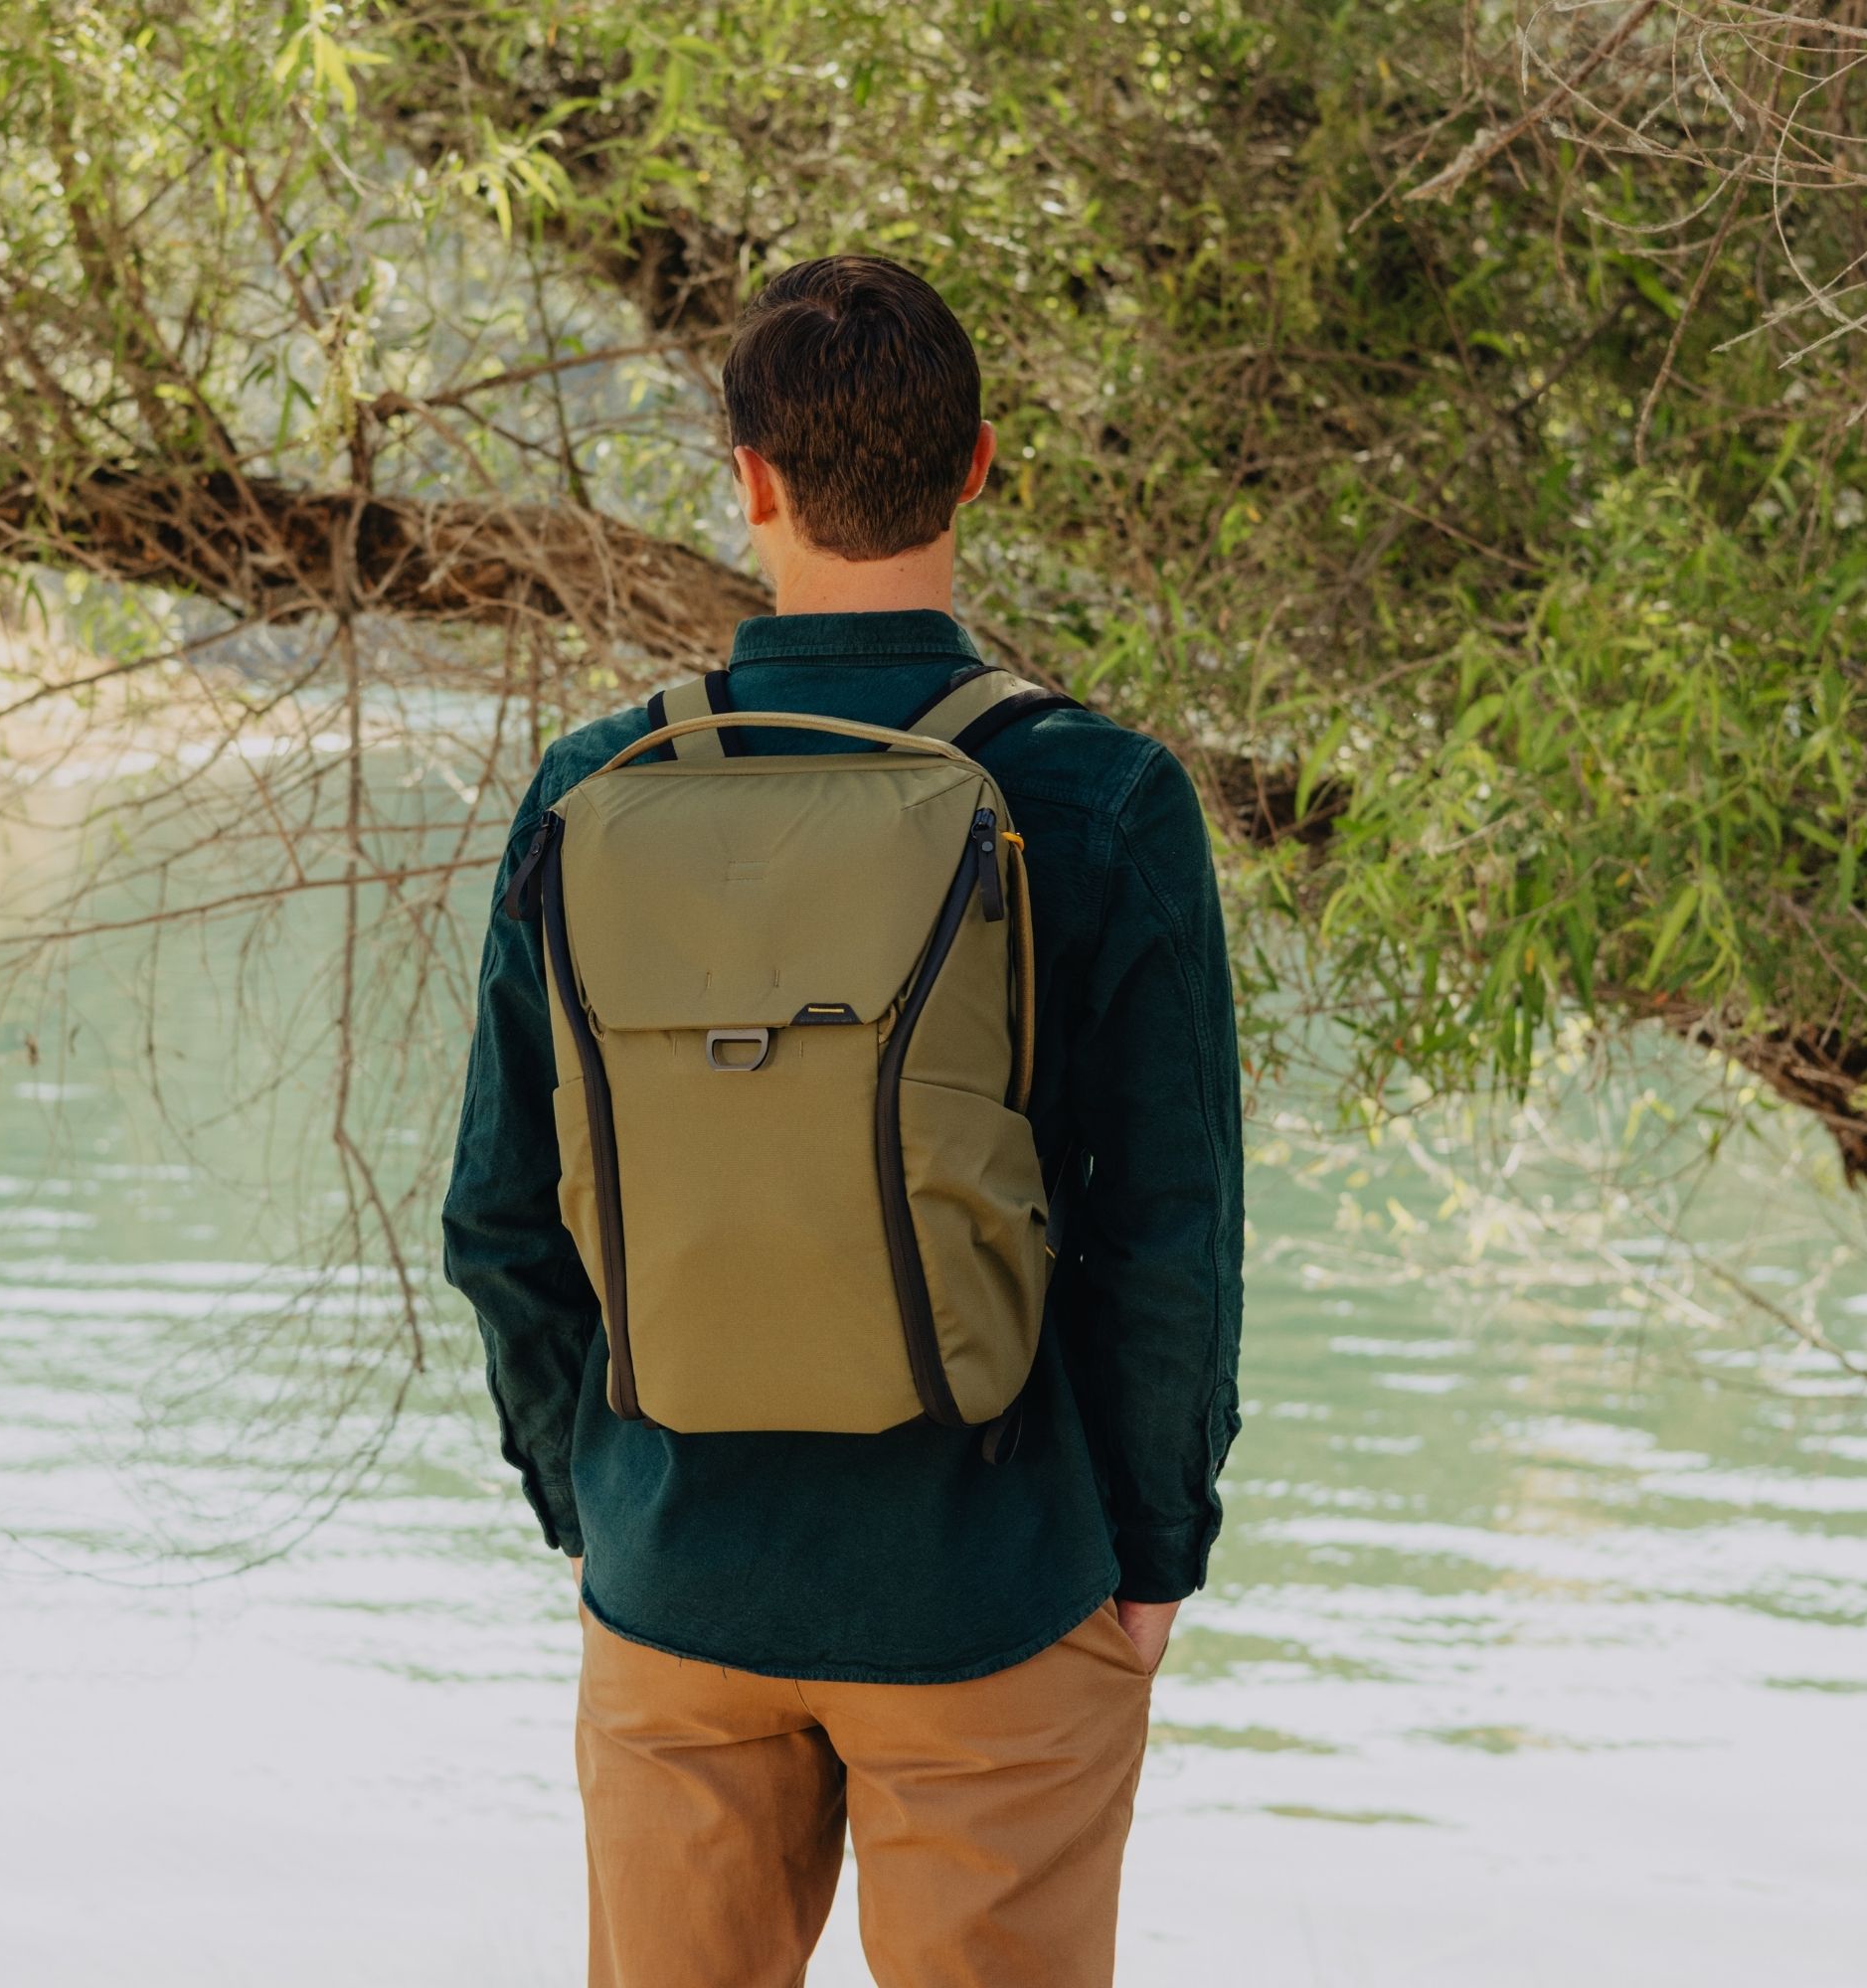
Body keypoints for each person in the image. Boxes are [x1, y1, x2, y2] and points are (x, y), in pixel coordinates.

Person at [442, 253, 1244, 1988]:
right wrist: (1154, 1554)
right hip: (991, 1593)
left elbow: (500, 1218)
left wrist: (596, 1507)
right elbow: (1168, 1238)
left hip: (677, 1589)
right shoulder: (1102, 798)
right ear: (979, 466)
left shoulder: (594, 793)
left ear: (748, 479)